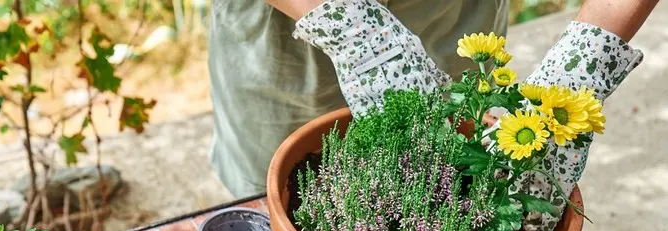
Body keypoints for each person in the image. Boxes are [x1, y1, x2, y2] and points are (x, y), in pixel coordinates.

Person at [209, 0, 509, 198]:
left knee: (446, 173)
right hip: (294, 23)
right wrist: (350, 28)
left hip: (449, 16)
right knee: (269, 196)